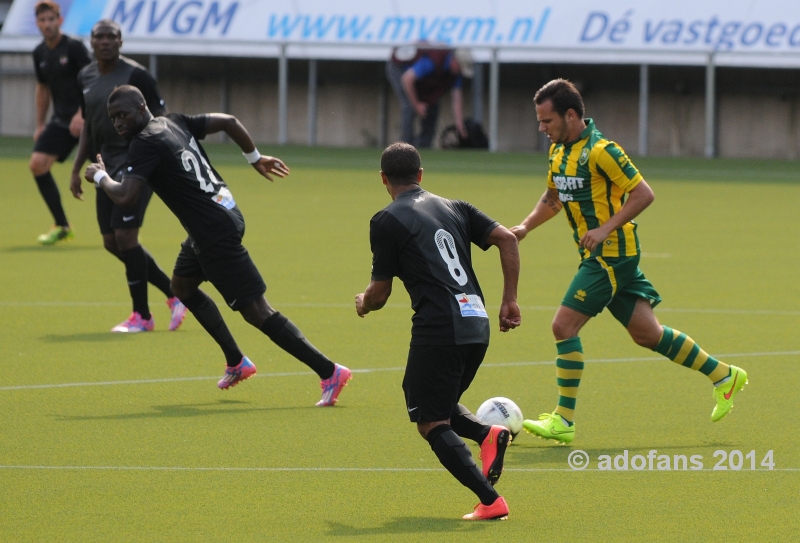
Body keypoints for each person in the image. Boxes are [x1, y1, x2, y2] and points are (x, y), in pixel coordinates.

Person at [511, 79, 748, 444]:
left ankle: (564, 420)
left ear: (571, 115)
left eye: (547, 121)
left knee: (563, 327)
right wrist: (525, 227)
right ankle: (724, 375)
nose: (541, 128)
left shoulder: (603, 151)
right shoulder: (558, 152)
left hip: (611, 255)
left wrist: (605, 228)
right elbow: (554, 197)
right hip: (597, 254)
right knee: (647, 334)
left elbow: (643, 193)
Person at [83, 85, 352, 403]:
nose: (117, 124)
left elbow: (126, 196)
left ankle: (329, 371)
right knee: (181, 288)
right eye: (113, 118)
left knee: (258, 312)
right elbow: (229, 121)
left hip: (213, 232)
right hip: (223, 213)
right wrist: (254, 158)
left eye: (123, 115)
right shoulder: (174, 121)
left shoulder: (145, 143)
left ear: (142, 108)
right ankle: (237, 361)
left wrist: (100, 177)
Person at [355, 142, 521, 520]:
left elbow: (379, 294)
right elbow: (507, 238)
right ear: (420, 175)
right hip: (476, 324)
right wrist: (509, 299)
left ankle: (491, 501)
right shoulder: (456, 206)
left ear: (383, 179)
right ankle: (487, 434)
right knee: (426, 396)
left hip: (439, 328)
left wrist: (363, 302)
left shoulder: (386, 220)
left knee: (430, 420)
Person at [69, 19, 185, 334]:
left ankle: (142, 316)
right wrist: (77, 169)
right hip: (104, 165)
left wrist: (159, 160)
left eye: (112, 37)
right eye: (99, 37)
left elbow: (162, 120)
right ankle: (175, 294)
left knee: (125, 237)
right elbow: (90, 126)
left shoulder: (137, 76)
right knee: (110, 241)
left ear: (121, 42)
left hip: (138, 162)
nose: (105, 41)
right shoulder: (85, 76)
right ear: (91, 42)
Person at [29, 1, 91, 245]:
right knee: (37, 164)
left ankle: (125, 225)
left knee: (110, 170)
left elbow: (91, 81)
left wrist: (82, 114)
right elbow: (42, 88)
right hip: (61, 122)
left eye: (51, 19)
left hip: (87, 120)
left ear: (60, 20)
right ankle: (62, 226)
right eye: (42, 21)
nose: (47, 24)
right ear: (37, 24)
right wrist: (40, 124)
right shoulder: (39, 53)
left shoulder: (74, 47)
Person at [386, 45, 474, 148]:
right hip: (399, 70)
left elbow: (457, 96)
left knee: (432, 106)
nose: (461, 72)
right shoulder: (431, 62)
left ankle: (424, 146)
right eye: (461, 68)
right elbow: (407, 79)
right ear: (455, 61)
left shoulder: (455, 73)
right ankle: (405, 146)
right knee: (409, 107)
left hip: (421, 81)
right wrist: (417, 105)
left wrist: (459, 124)